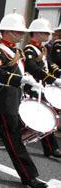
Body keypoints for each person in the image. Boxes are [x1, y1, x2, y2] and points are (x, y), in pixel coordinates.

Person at [0, 11, 48, 188]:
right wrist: (20, 80)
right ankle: (29, 176)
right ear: (6, 31)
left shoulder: (17, 50)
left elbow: (24, 72)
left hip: (13, 99)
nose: (21, 35)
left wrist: (32, 83)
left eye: (21, 32)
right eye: (17, 31)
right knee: (13, 139)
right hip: (1, 101)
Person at [23, 17, 61, 158]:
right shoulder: (29, 49)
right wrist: (51, 79)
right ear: (37, 33)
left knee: (46, 116)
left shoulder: (42, 48)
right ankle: (52, 148)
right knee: (47, 116)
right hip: (32, 86)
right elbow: (32, 67)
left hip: (42, 86)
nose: (48, 36)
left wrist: (58, 74)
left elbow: (49, 65)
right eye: (45, 33)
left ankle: (50, 148)